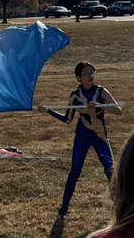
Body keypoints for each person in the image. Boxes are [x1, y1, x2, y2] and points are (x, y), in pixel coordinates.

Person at [39, 61, 122, 218]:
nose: (90, 75)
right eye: (86, 73)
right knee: (75, 171)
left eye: (92, 72)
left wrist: (100, 105)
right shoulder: (75, 95)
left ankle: (118, 208)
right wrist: (49, 111)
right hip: (82, 137)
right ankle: (64, 208)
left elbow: (118, 111)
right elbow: (67, 119)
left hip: (100, 136)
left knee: (110, 170)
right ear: (78, 77)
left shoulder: (101, 92)